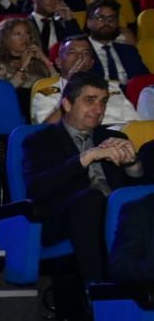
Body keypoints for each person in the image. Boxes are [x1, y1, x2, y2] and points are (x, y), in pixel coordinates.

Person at [21, 72, 152, 304]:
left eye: (103, 101)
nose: (98, 109)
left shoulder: (113, 137)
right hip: (62, 218)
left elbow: (139, 192)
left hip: (116, 215)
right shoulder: (39, 140)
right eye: (90, 100)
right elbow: (37, 189)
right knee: (91, 199)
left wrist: (133, 164)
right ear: (67, 103)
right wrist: (86, 157)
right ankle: (96, 293)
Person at [84, 0, 150, 83]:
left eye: (112, 18)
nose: (107, 22)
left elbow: (145, 80)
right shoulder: (80, 51)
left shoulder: (129, 50)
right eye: (100, 18)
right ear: (88, 22)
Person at [0, 15, 56, 91]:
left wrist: (45, 60)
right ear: (5, 39)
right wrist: (22, 68)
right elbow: (3, 93)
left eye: (27, 33)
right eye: (18, 34)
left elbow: (56, 86)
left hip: (42, 100)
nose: (24, 38)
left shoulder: (37, 62)